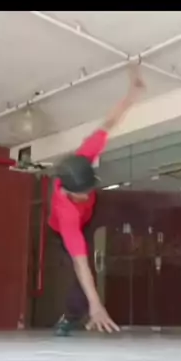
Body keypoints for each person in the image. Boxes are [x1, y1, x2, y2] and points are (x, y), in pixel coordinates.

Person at [49, 65, 145, 335]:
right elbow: (80, 263)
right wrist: (96, 305)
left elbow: (109, 123)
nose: (88, 193)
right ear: (68, 192)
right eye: (83, 192)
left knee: (126, 202)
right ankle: (71, 318)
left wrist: (132, 94)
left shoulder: (83, 157)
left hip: (92, 213)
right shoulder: (66, 214)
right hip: (69, 228)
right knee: (81, 273)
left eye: (90, 188)